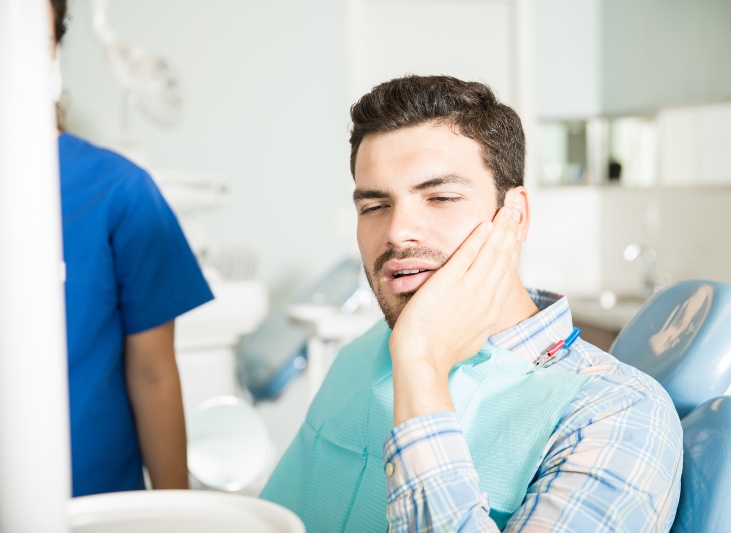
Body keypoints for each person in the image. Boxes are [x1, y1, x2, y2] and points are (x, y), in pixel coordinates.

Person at [260, 75, 683, 531]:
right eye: (374, 206)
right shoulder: (360, 354)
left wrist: (421, 364)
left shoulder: (617, 415)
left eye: (441, 197)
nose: (398, 232)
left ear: (514, 216)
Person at [49, 0, 214, 496]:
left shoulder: (117, 191)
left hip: (95, 505)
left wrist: (173, 517)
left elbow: (153, 375)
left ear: (54, 49)